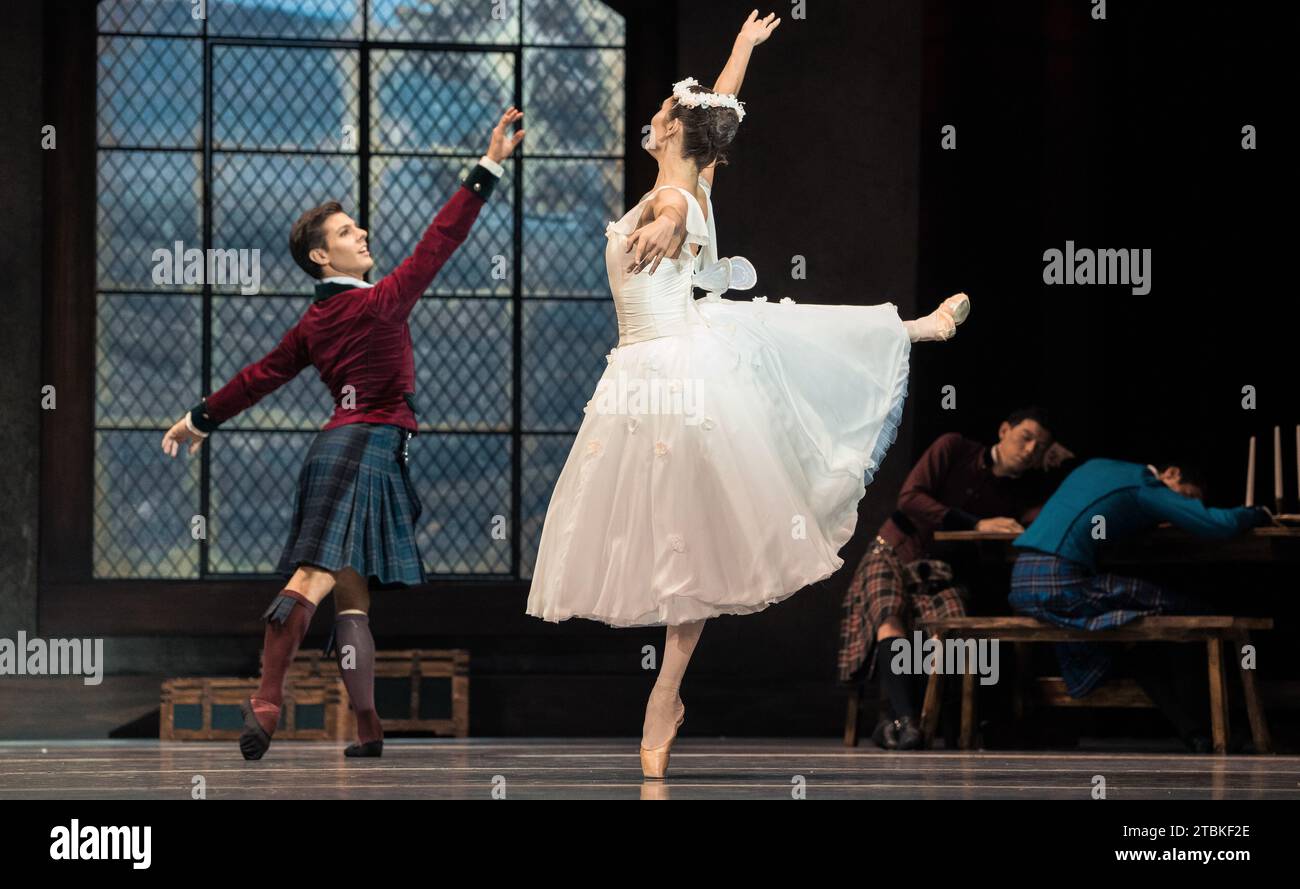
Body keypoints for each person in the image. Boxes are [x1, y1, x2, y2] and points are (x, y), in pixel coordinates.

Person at [524, 11, 971, 779]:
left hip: (678, 371)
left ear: (673, 134)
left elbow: (678, 199)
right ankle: (667, 693)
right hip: (640, 374)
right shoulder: (691, 177)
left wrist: (669, 223)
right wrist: (740, 50)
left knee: (702, 514)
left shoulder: (677, 200)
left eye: (664, 112)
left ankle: (664, 696)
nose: (655, 115)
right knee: (676, 540)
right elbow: (719, 114)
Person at [160, 109, 525, 760]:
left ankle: (368, 726)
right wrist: (488, 166)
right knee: (314, 576)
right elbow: (443, 238)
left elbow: (259, 376)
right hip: (369, 447)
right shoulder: (379, 300)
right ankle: (268, 701)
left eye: (356, 225)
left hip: (341, 446)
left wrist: (200, 419)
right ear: (321, 255)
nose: (361, 233)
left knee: (351, 596)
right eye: (346, 230)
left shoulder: (314, 322)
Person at [836, 407, 1071, 749]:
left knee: (953, 631)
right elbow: (911, 498)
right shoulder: (955, 448)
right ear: (1004, 430)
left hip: (941, 570)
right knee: (889, 615)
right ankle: (907, 722)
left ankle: (930, 723)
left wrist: (1061, 466)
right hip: (896, 551)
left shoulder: (1021, 494)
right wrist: (974, 523)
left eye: (1041, 446)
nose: (1030, 449)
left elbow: (1052, 513)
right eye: (1026, 438)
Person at [1009, 457, 1273, 750]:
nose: (1182, 510)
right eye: (1186, 499)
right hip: (1060, 582)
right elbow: (1215, 525)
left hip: (1021, 579)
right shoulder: (1145, 486)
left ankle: (1196, 734)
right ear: (1171, 471)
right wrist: (1257, 513)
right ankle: (1215, 727)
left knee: (1133, 644)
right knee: (1193, 613)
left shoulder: (1095, 467)